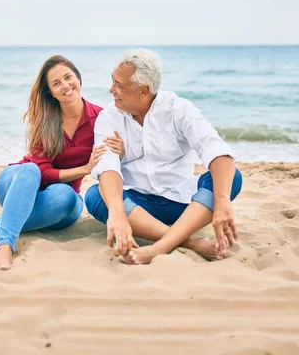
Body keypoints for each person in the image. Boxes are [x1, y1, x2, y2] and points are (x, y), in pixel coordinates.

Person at [0, 55, 123, 271]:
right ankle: (5, 245)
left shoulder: (101, 118)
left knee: (69, 197)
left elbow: (111, 164)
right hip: (18, 184)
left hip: (58, 204)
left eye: (68, 77)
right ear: (51, 92)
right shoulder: (45, 120)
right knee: (31, 169)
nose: (65, 85)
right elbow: (43, 173)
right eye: (56, 84)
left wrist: (122, 151)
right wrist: (84, 169)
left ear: (78, 78)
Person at [85, 48, 243, 265]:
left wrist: (223, 202)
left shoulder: (178, 109)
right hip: (138, 207)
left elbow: (215, 150)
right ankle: (188, 243)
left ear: (143, 90)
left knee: (232, 176)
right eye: (112, 82)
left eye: (119, 85)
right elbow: (107, 167)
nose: (111, 90)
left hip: (184, 204)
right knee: (96, 196)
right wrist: (117, 212)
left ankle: (160, 246)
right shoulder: (109, 118)